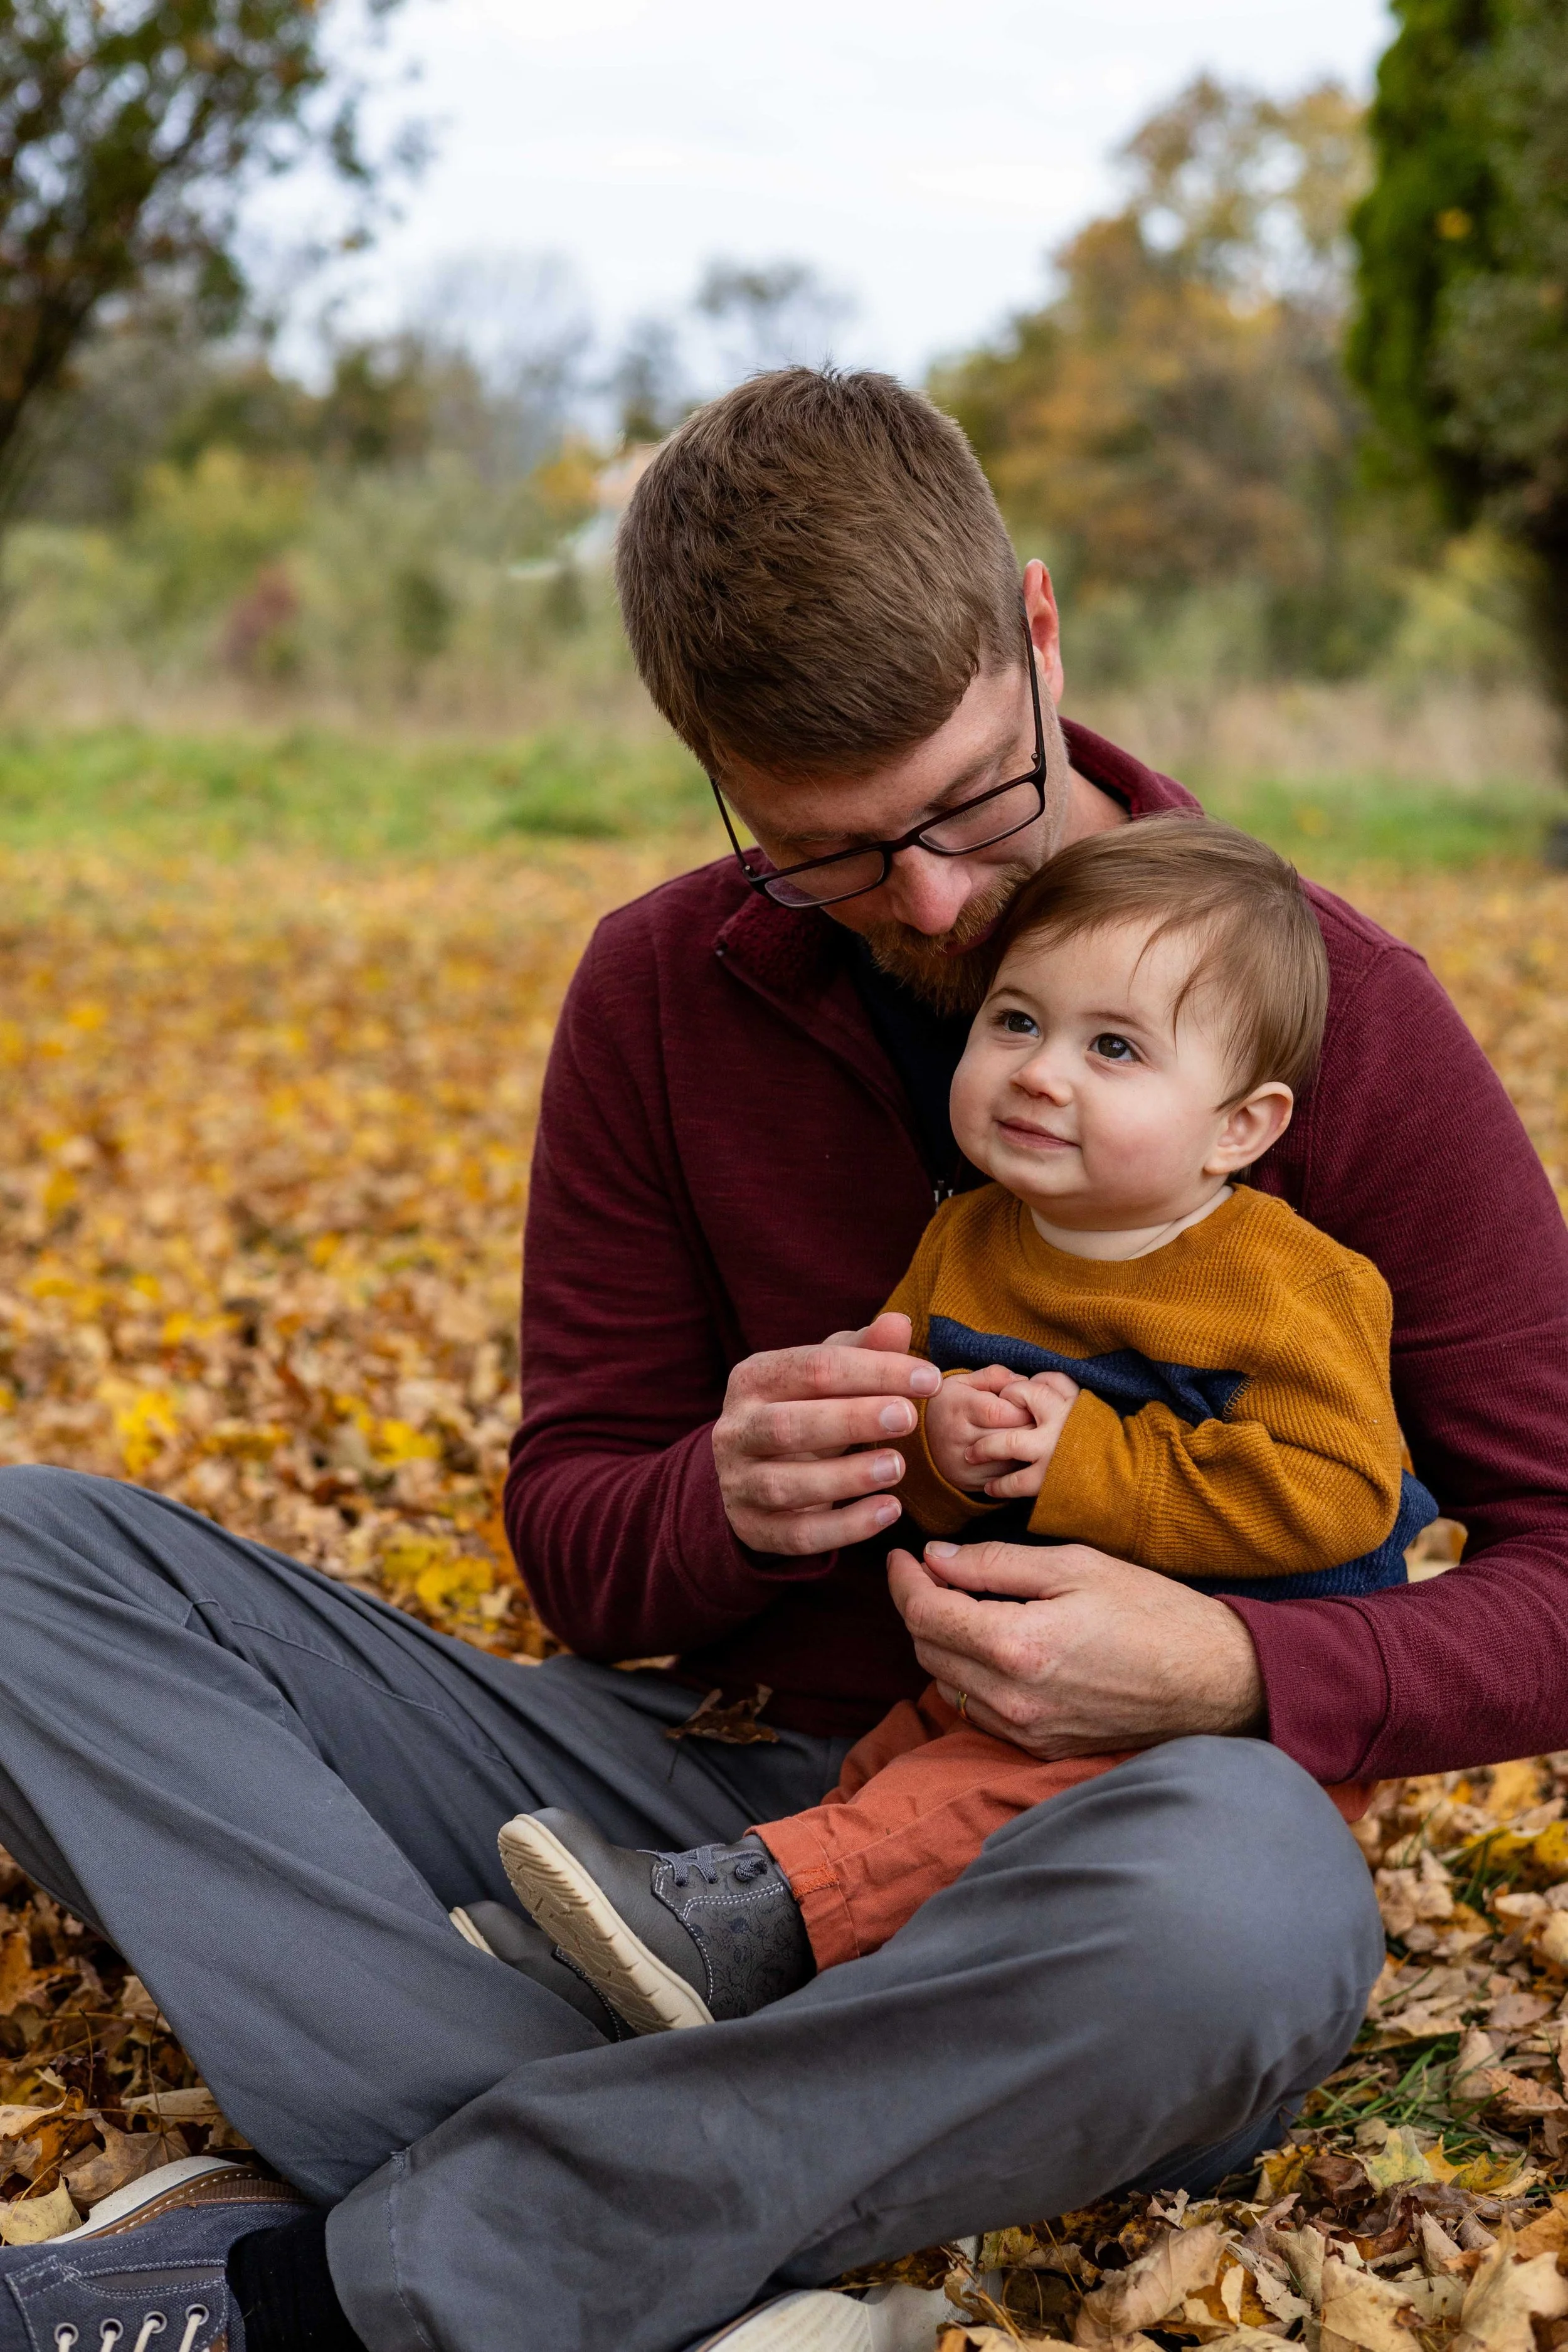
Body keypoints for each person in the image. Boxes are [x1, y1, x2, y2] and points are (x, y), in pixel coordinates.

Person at [0, 368, 1557, 2352]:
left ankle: (350, 2270)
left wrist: (1246, 1667)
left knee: (1242, 1901)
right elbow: (578, 1536)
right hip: (695, 1811)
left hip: (1091, 1834)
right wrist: (714, 1495)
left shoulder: (1339, 1024)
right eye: (828, 851)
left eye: (975, 803)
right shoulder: (660, 988)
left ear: (1040, 630)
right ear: (710, 765)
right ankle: (674, 2221)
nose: (932, 900)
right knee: (29, 1555)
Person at [492, 815, 1440, 2033]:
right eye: (1015, 1023)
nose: (1043, 1072)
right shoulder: (968, 1239)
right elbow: (919, 1474)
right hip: (1002, 1668)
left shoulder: (1285, 1283)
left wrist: (1084, 1459)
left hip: (1216, 1714)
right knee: (891, 1780)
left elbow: (1335, 1493)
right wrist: (936, 1449)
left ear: (1238, 1128)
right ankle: (748, 1973)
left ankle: (749, 1928)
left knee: (951, 1810)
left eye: (1112, 1048)